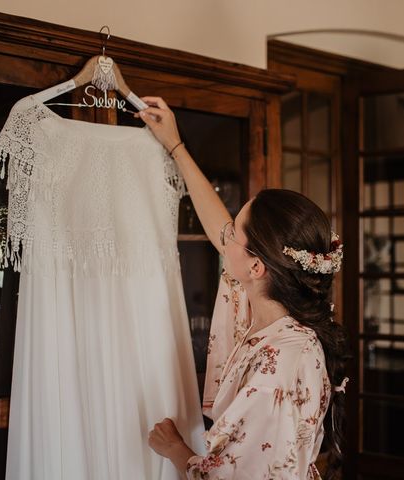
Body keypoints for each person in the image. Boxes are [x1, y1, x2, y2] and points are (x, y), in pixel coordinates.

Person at [137, 98, 349, 479]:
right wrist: (175, 145)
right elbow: (218, 224)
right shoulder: (258, 304)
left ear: (256, 266)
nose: (224, 237)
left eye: (234, 232)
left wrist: (176, 450)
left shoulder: (279, 365)